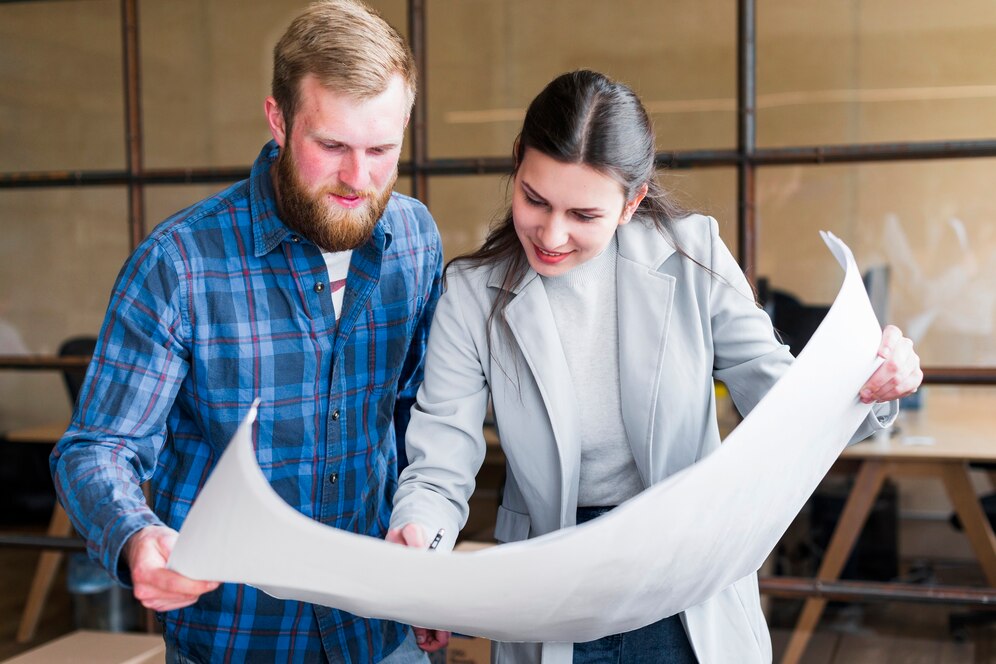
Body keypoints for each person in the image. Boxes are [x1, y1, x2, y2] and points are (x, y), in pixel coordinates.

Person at [387, 70, 922, 663]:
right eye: (535, 200)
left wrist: (870, 382)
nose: (552, 234)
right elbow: (441, 463)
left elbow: (783, 401)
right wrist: (422, 553)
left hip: (682, 576)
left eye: (584, 215)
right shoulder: (471, 293)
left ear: (632, 201)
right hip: (552, 583)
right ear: (517, 164)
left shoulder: (692, 255)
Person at [50, 1, 442, 661]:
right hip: (240, 640)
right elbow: (96, 449)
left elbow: (423, 417)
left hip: (381, 632)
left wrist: (429, 545)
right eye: (332, 146)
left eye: (382, 149)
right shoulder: (179, 264)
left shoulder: (415, 239)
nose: (358, 178)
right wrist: (138, 537)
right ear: (278, 119)